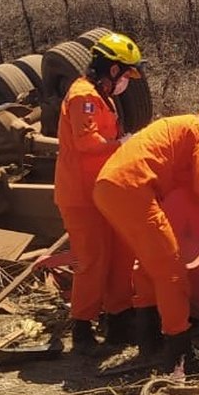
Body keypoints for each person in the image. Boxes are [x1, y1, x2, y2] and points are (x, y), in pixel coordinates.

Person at [92, 100, 199, 370]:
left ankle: (150, 343)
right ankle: (180, 354)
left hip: (110, 188)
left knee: (149, 267)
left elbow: (189, 190)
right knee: (172, 271)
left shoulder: (182, 130)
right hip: (133, 188)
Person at [53, 32, 144, 354]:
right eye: (127, 74)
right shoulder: (83, 96)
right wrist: (121, 144)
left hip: (104, 192)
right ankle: (82, 326)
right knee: (92, 260)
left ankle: (119, 320)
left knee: (121, 254)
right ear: (113, 70)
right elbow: (86, 142)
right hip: (81, 195)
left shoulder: (103, 96)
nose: (127, 83)